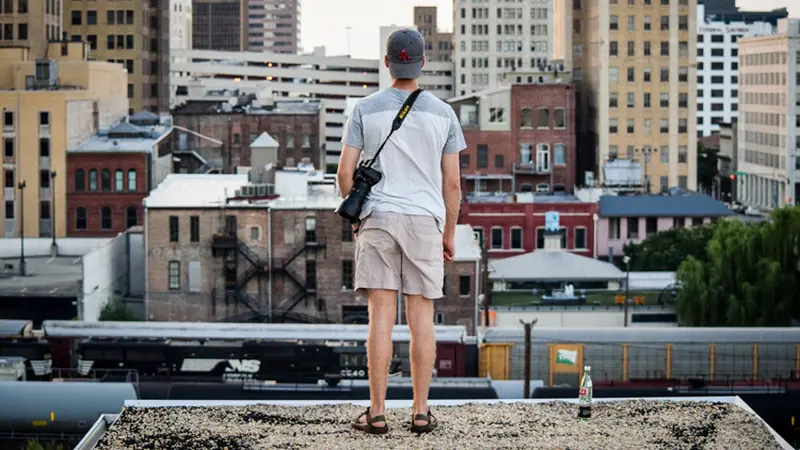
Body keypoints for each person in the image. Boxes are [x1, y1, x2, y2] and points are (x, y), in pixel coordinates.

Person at [337, 28, 465, 435]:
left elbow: (344, 175)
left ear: (388, 62)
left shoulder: (364, 109)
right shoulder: (444, 113)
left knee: (380, 320)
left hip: (377, 220)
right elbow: (453, 186)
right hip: (426, 222)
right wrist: (449, 233)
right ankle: (421, 412)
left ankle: (376, 414)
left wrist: (360, 219)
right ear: (423, 62)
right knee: (421, 319)